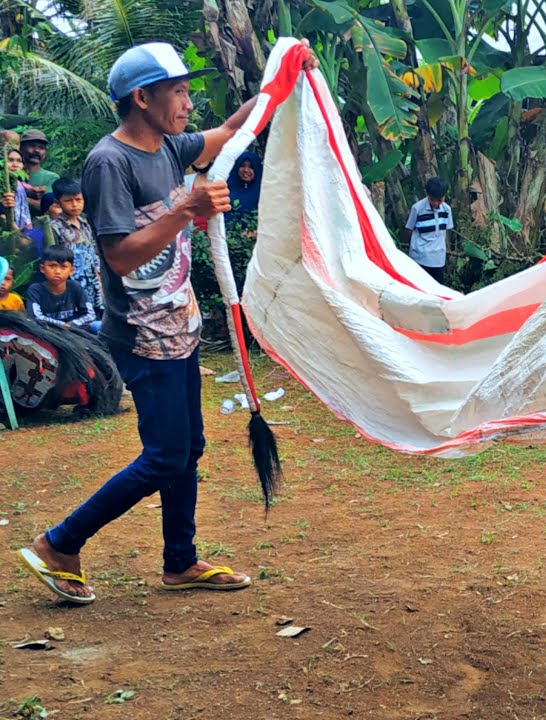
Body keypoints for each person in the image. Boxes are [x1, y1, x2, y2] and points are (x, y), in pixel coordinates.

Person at [15, 40, 320, 605]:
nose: (187, 101)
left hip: (178, 328)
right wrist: (187, 210)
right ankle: (60, 543)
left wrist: (282, 79)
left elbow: (231, 132)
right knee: (165, 454)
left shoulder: (167, 148)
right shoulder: (111, 161)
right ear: (143, 97)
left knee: (190, 447)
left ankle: (180, 562)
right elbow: (120, 256)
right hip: (141, 336)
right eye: (178, 91)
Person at [48, 177, 105, 315]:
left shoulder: (86, 223)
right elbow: (52, 257)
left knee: (96, 312)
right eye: (68, 201)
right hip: (70, 280)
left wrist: (99, 277)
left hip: (92, 279)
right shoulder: (54, 227)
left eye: (78, 200)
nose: (74, 204)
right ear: (58, 203)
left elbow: (94, 252)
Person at [24, 246, 96, 330]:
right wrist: (61, 325)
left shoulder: (75, 287)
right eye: (52, 266)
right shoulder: (35, 290)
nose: (57, 271)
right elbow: (36, 317)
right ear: (42, 268)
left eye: (63, 267)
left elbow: (90, 315)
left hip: (73, 329)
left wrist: (72, 324)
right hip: (48, 331)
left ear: (71, 271)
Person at [401, 176, 453, 283]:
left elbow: (445, 232)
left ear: (444, 196)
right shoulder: (417, 208)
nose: (435, 203)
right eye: (432, 200)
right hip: (419, 258)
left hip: (438, 259)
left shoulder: (447, 210)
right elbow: (408, 230)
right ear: (427, 195)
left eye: (439, 200)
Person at [18, 129, 59, 217]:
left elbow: (47, 207)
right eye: (32, 146)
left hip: (39, 228)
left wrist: (18, 197)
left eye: (41, 148)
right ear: (21, 148)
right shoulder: (9, 174)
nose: (37, 150)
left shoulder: (51, 177)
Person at [226, 150, 262, 230]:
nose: (246, 170)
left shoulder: (263, 192)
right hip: (229, 237)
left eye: (251, 167)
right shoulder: (227, 188)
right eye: (242, 166)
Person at [4, 146, 33, 232]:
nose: (15, 164)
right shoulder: (3, 184)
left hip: (23, 227)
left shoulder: (20, 184)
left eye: (19, 161)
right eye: (10, 160)